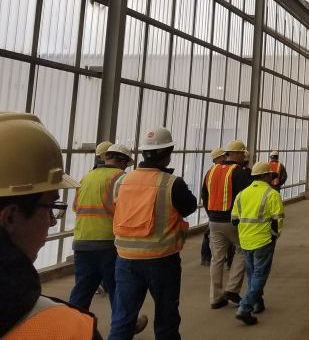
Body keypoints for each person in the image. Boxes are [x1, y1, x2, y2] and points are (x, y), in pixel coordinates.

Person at [0, 112, 100, 339]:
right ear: (10, 217)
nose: (53, 221)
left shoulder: (90, 178)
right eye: (50, 206)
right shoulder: (68, 329)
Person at [108, 127, 197, 340]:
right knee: (166, 319)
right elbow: (190, 206)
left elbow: (117, 207)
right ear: (168, 153)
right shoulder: (171, 183)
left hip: (125, 259)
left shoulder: (121, 181)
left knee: (122, 319)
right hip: (162, 260)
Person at [69, 143, 147, 333]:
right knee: (118, 289)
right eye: (126, 164)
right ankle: (125, 326)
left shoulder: (86, 177)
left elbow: (75, 206)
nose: (126, 168)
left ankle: (70, 328)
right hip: (108, 243)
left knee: (82, 290)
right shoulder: (121, 178)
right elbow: (128, 210)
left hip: (82, 241)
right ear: (122, 160)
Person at [231, 161, 284, 326]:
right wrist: (274, 236)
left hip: (245, 241)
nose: (271, 178)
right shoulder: (272, 194)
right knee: (260, 276)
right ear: (264, 176)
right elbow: (277, 220)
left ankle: (257, 303)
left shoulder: (241, 194)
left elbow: (234, 220)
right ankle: (244, 307)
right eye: (270, 175)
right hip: (263, 240)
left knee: (253, 274)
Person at [201, 140, 251, 309]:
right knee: (242, 251)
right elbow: (247, 197)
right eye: (242, 153)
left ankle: (215, 297)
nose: (244, 156)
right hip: (233, 221)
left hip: (214, 221)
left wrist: (210, 215)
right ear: (236, 154)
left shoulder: (210, 171)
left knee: (217, 259)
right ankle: (232, 289)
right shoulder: (239, 172)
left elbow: (204, 196)